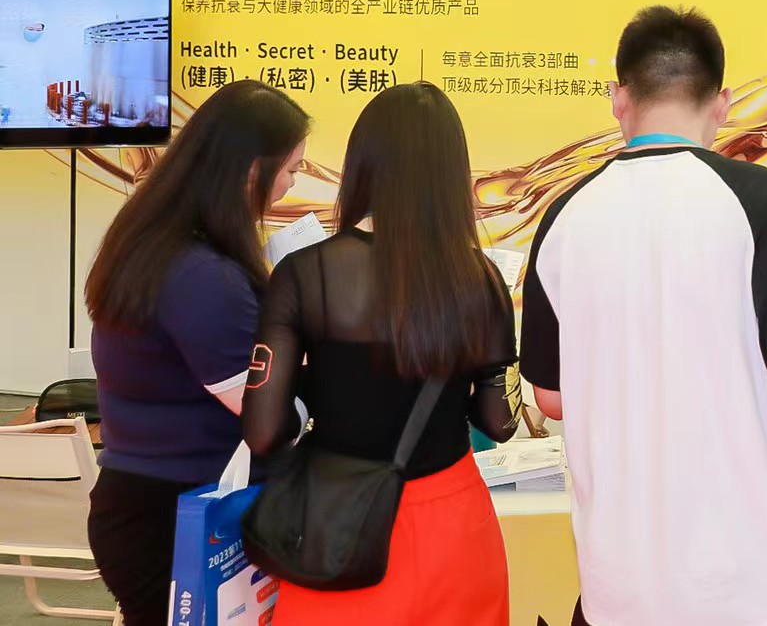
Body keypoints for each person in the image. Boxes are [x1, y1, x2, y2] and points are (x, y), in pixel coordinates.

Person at [520, 5, 767, 626]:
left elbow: (552, 397)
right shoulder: (764, 200)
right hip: (755, 586)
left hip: (618, 589)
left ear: (618, 99)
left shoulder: (564, 216)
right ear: (723, 104)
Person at [243, 82, 520, 625]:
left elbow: (263, 429)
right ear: (450, 172)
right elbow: (499, 421)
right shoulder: (481, 277)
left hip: (336, 528)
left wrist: (322, 387)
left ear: (362, 164)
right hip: (453, 525)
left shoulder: (305, 273)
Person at [85, 80, 310, 626]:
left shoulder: (159, 241)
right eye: (291, 168)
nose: (292, 183)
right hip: (175, 516)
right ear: (252, 170)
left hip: (154, 502)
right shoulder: (202, 275)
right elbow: (267, 417)